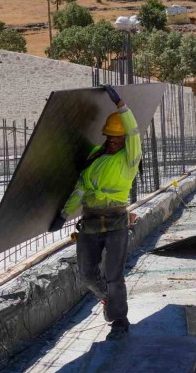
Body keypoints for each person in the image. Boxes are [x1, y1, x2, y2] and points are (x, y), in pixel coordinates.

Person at [49, 85, 141, 341]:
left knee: (114, 275)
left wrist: (121, 106)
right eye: (109, 138)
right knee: (87, 274)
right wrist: (65, 215)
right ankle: (106, 299)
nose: (112, 142)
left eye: (117, 139)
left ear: (124, 141)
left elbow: (133, 131)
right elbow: (80, 189)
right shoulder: (94, 155)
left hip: (116, 221)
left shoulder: (130, 157)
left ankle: (119, 320)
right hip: (90, 221)